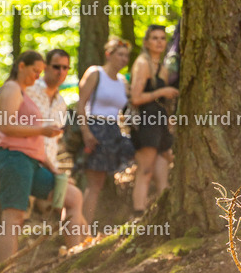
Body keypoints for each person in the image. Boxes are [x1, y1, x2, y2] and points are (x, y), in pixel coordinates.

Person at [0, 50, 64, 263]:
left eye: (40, 72)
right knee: (13, 216)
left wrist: (50, 165)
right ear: (21, 66)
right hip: (13, 159)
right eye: (35, 70)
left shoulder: (25, 93)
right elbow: (6, 125)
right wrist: (41, 129)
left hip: (32, 162)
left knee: (70, 196)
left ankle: (73, 254)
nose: (38, 76)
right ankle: (4, 271)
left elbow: (28, 134)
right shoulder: (11, 88)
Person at [28, 48, 88, 248]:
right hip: (25, 161)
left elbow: (55, 143)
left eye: (65, 68)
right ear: (45, 67)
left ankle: (77, 253)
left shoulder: (61, 102)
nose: (61, 72)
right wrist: (1, 139)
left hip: (48, 166)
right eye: (56, 67)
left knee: (74, 201)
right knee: (17, 216)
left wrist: (59, 171)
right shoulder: (28, 89)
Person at [76, 37, 135, 224]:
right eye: (120, 54)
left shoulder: (122, 82)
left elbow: (125, 111)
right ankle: (83, 231)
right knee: (94, 184)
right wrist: (86, 133)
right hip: (95, 129)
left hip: (113, 131)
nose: (124, 59)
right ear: (109, 55)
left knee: (102, 183)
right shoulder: (95, 73)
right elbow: (81, 104)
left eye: (126, 56)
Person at [128, 24, 180, 215]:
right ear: (147, 42)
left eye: (162, 38)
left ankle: (165, 214)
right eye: (155, 38)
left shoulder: (163, 68)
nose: (159, 42)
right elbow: (135, 98)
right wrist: (161, 91)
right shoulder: (142, 63)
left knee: (164, 165)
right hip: (145, 121)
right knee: (146, 169)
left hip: (160, 122)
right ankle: (138, 213)